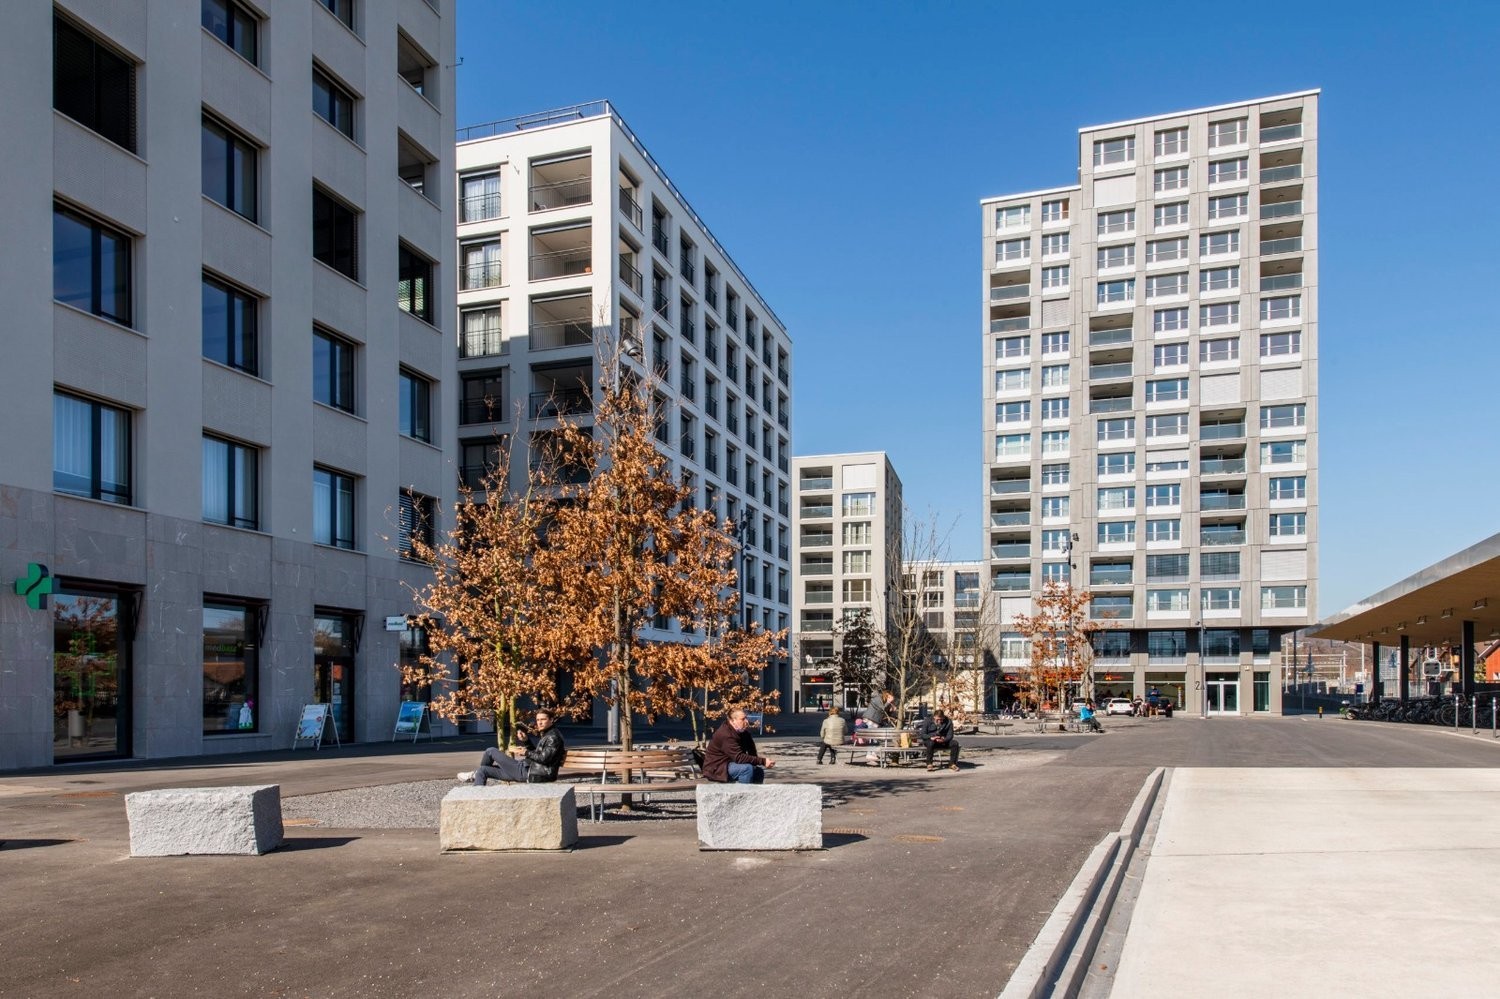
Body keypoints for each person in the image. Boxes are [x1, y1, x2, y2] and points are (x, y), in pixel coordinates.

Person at [458, 708, 566, 786]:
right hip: (527, 769)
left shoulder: (553, 737)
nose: (539, 723)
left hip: (530, 773)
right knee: (483, 770)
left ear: (551, 720)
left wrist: (526, 752)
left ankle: (474, 774)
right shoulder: (548, 734)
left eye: (543, 719)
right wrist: (526, 741)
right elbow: (538, 754)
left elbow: (544, 759)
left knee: (490, 751)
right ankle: (476, 796)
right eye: (538, 720)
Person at [703, 708, 775, 783]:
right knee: (746, 769)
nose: (746, 721)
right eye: (743, 719)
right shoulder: (725, 734)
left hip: (730, 763)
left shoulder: (743, 732)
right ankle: (743, 790)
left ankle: (753, 790)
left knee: (758, 771)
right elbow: (739, 757)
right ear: (732, 721)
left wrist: (758, 763)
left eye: (746, 718)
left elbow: (752, 751)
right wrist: (763, 761)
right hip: (717, 768)